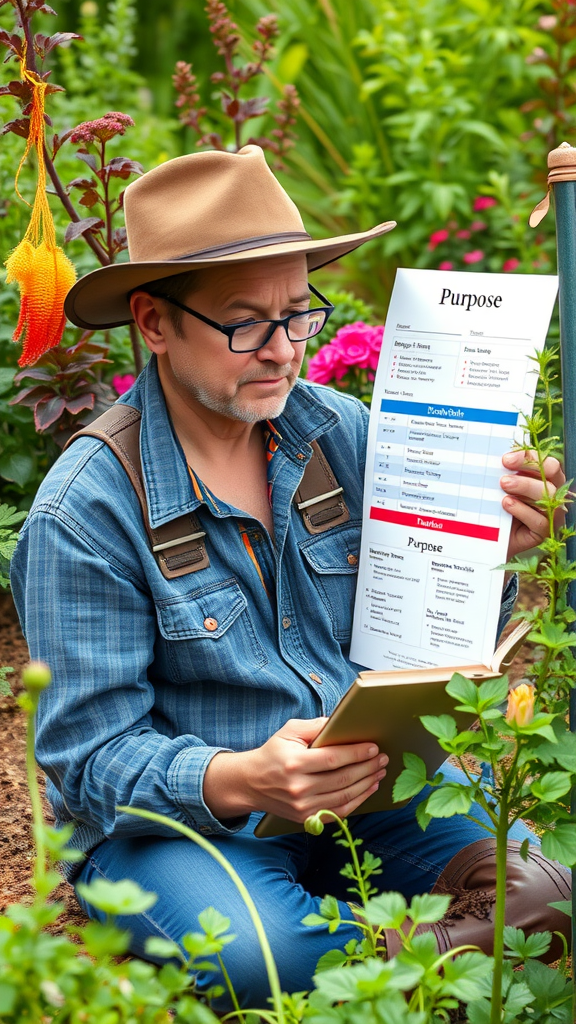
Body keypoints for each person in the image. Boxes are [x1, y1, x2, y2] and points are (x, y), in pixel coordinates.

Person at [11, 145, 570, 1009]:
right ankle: (411, 958)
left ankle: (365, 959)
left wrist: (496, 548)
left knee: (551, 892)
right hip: (194, 832)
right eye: (245, 323)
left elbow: (427, 632)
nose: (280, 350)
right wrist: (241, 777)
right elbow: (88, 758)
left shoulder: (338, 433)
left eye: (297, 314)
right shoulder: (85, 512)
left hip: (378, 788)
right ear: (154, 323)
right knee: (255, 959)